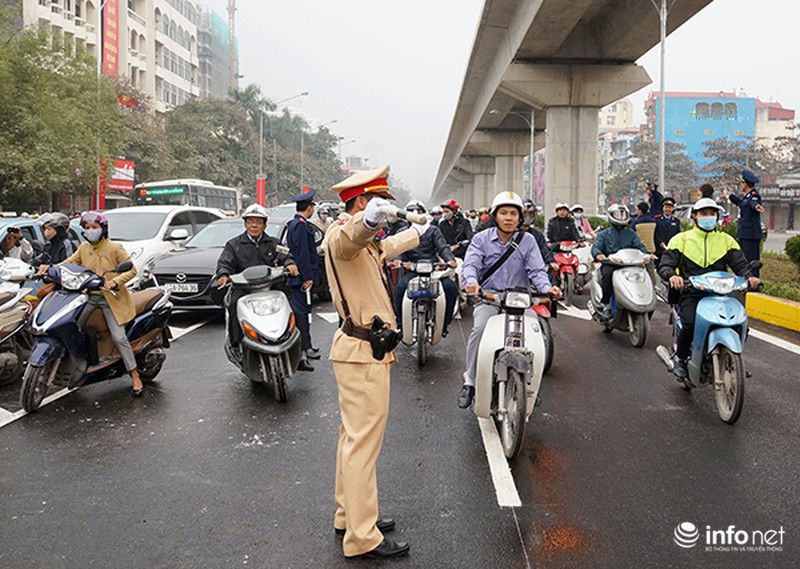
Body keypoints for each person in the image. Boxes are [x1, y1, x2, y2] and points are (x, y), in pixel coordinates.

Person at [324, 164, 427, 560]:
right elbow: (351, 239)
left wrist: (419, 231)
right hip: (362, 352)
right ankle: (362, 536)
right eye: (378, 204)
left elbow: (382, 247)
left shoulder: (366, 243)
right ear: (363, 203)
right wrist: (367, 220)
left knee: (352, 440)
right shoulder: (342, 234)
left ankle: (349, 513)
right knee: (363, 445)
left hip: (362, 351)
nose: (383, 214)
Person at [457, 191, 561, 409]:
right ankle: (470, 381)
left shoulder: (529, 240)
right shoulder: (481, 239)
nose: (508, 217)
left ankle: (529, 386)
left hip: (520, 301)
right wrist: (471, 282)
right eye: (503, 213)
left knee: (536, 336)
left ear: (520, 218)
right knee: (480, 329)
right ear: (495, 216)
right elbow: (471, 264)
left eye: (513, 213)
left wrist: (547, 288)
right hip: (489, 298)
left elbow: (537, 270)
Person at [42, 211, 143, 395]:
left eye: (94, 228)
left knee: (119, 337)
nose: (90, 231)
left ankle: (134, 375)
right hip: (88, 297)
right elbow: (68, 263)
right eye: (87, 228)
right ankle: (80, 364)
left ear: (103, 229)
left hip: (111, 298)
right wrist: (50, 269)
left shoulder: (114, 247)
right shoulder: (83, 248)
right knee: (71, 327)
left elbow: (132, 270)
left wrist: (115, 281)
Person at [658, 198, 759, 380]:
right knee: (689, 322)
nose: (708, 217)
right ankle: (681, 359)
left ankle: (734, 360)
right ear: (695, 216)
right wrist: (672, 275)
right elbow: (665, 264)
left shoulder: (726, 240)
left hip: (721, 292)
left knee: (739, 322)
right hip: (692, 291)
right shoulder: (681, 240)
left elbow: (740, 265)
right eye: (704, 213)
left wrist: (749, 277)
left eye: (712, 214)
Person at [216, 204, 299, 355]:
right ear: (245, 224)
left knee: (291, 303)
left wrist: (290, 264)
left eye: (258, 221)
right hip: (244, 288)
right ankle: (236, 344)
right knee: (233, 303)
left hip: (270, 286)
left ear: (264, 225)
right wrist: (223, 275)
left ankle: (294, 345)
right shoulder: (233, 245)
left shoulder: (274, 243)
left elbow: (286, 256)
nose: (254, 225)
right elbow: (224, 263)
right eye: (250, 221)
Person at [392, 200, 458, 336]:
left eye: (419, 211)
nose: (416, 214)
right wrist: (398, 260)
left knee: (451, 288)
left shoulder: (433, 230)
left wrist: (450, 259)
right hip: (412, 270)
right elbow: (399, 249)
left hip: (432, 270)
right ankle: (399, 324)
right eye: (411, 211)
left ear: (424, 213)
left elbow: (442, 247)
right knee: (399, 288)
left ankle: (444, 324)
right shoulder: (403, 231)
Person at [591, 205, 651, 319]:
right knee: (607, 275)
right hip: (611, 264)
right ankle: (606, 303)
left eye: (623, 214)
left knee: (643, 275)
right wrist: (599, 254)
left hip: (630, 264)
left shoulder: (631, 233)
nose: (621, 217)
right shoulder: (604, 234)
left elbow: (639, 246)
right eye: (617, 215)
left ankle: (642, 299)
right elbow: (596, 247)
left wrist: (647, 254)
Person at [286, 190, 321, 371]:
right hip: (300, 278)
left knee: (305, 313)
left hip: (302, 277)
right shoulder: (299, 225)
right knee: (301, 315)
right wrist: (307, 277)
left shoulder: (298, 223)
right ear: (309, 207)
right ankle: (302, 351)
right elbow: (302, 254)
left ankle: (308, 346)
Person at [728, 169, 765, 277]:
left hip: (751, 234)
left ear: (745, 184)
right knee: (744, 260)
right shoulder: (747, 197)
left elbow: (754, 203)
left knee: (751, 261)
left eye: (741, 183)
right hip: (745, 233)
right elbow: (742, 204)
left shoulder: (754, 195)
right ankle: (746, 279)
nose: (740, 185)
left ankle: (753, 281)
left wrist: (757, 207)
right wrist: (732, 197)